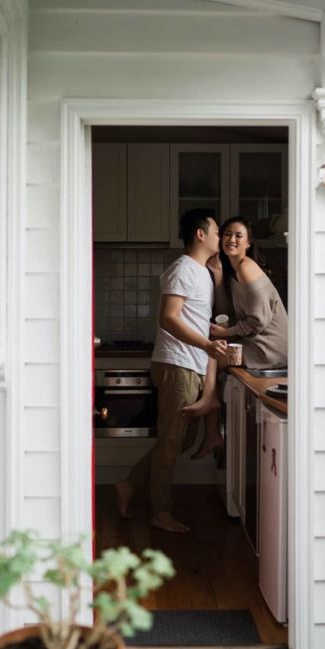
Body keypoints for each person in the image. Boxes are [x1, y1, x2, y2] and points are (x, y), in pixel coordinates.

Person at [115, 209, 228, 533]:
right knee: (171, 441)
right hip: (176, 362)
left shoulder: (202, 272)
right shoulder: (182, 269)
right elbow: (169, 317)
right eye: (217, 231)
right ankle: (159, 512)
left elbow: (193, 318)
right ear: (200, 234)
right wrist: (207, 346)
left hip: (189, 363)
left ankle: (129, 484)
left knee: (180, 439)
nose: (221, 237)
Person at [184, 215, 288, 458]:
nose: (231, 239)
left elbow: (258, 321)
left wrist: (227, 332)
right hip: (255, 340)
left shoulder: (247, 268)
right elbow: (225, 313)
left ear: (248, 243)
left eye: (238, 235)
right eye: (227, 234)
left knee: (212, 350)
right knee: (211, 349)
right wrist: (219, 275)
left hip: (270, 345)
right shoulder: (233, 269)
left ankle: (210, 404)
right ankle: (212, 432)